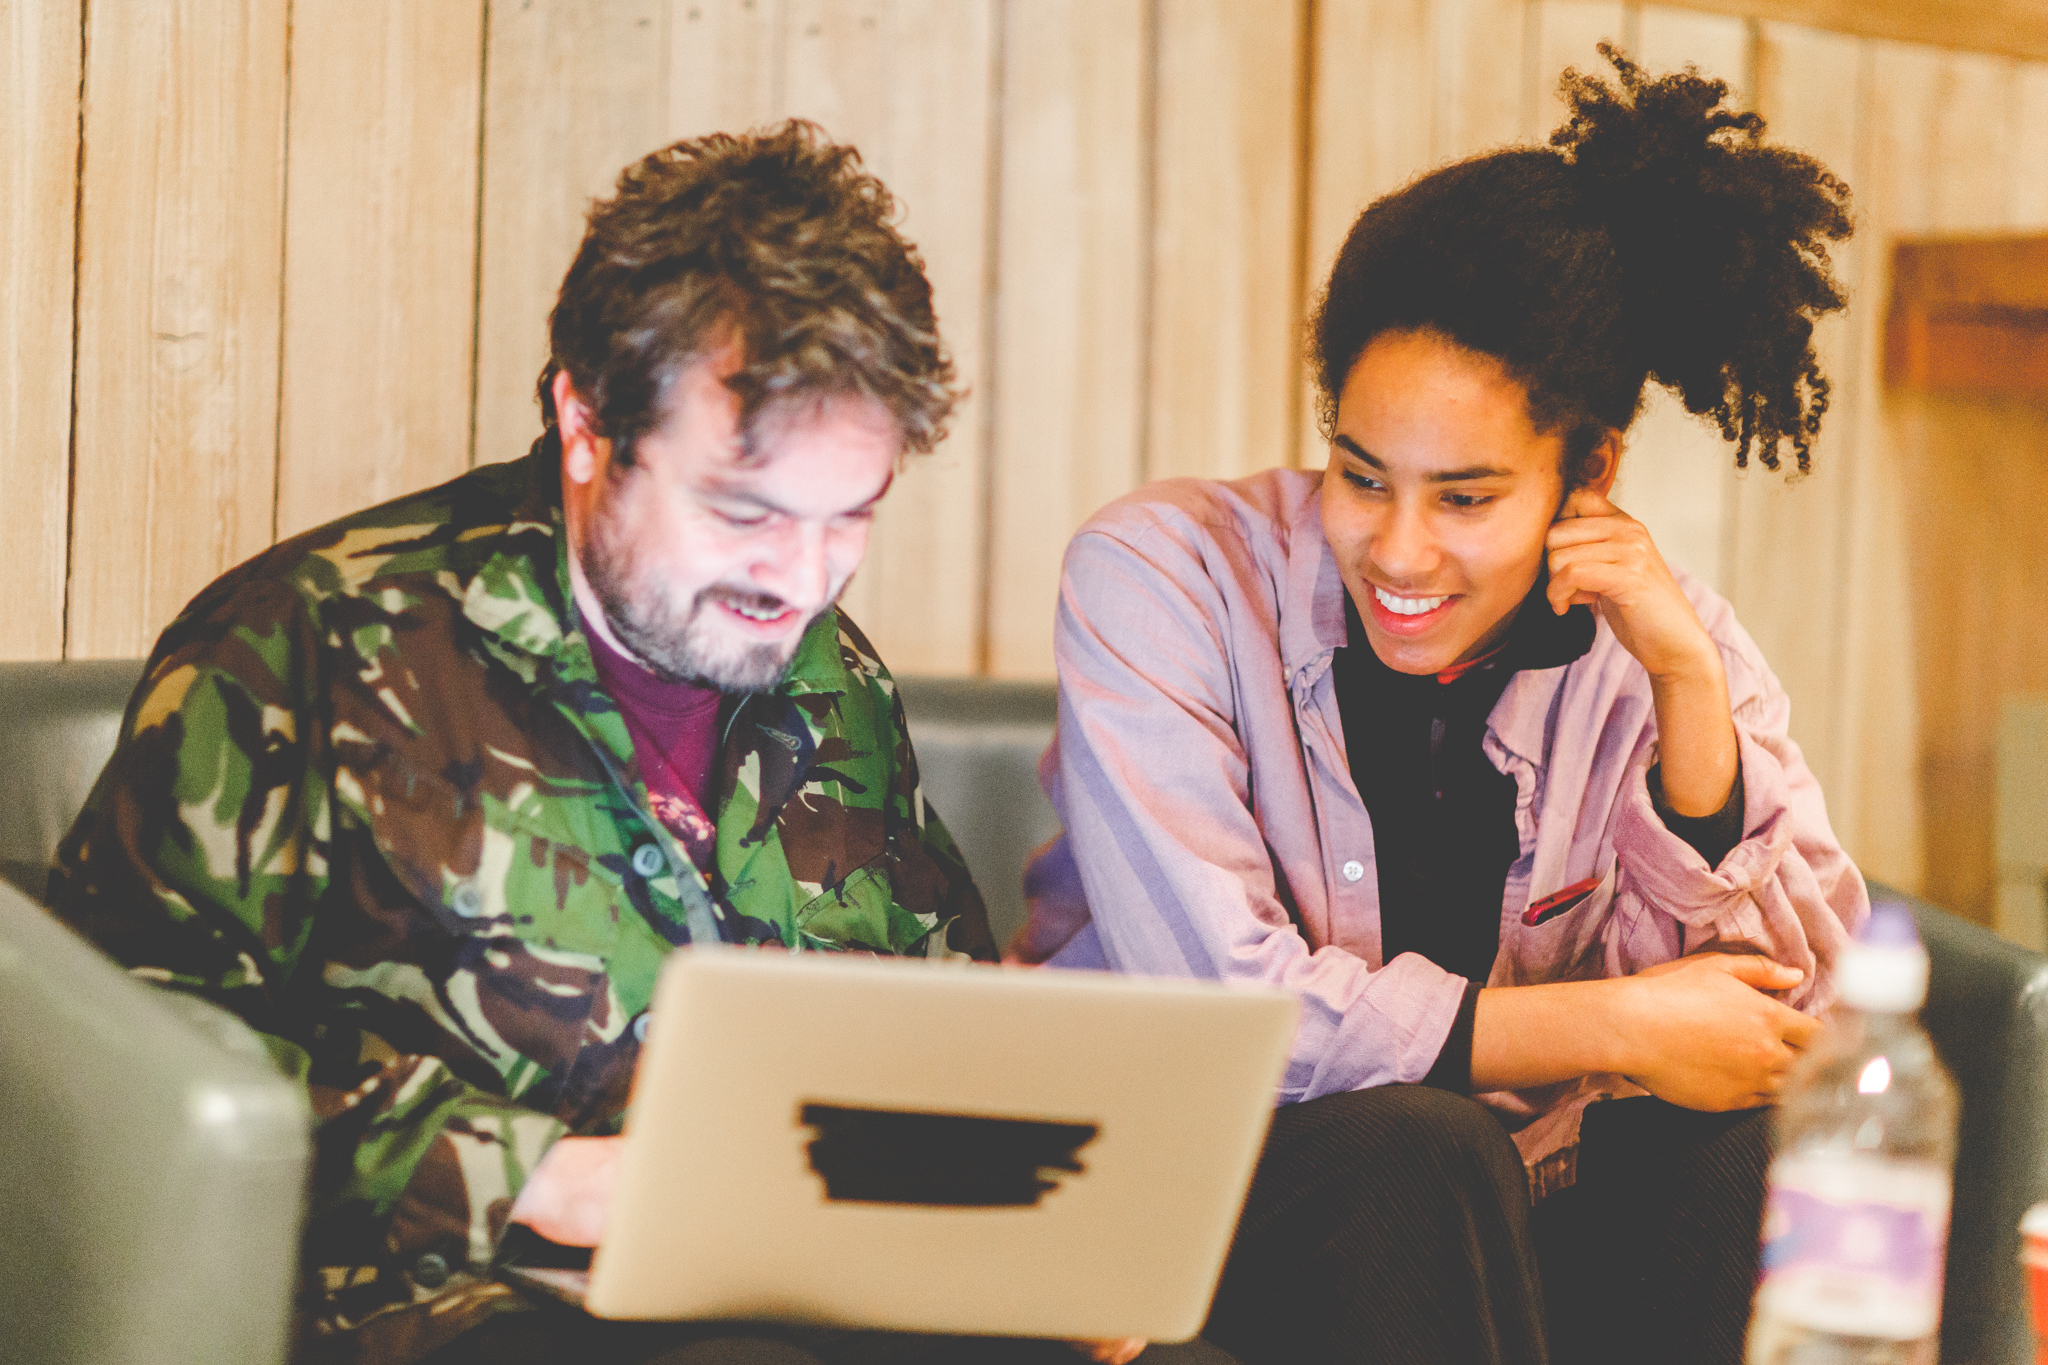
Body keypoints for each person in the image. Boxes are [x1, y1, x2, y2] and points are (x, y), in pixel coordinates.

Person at [47, 123, 1178, 1365]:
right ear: (585, 423)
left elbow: (941, 1016)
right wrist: (539, 1177)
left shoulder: (831, 672)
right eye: (741, 511)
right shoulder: (300, 652)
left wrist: (1039, 1238)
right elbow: (115, 1082)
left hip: (814, 1290)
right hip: (443, 1305)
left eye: (849, 516)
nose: (798, 581)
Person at [1012, 48, 1867, 1365]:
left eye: (1465, 499)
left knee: (1726, 1145)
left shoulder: (1658, 634)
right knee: (1421, 1141)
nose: (1399, 551)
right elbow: (1226, 1010)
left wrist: (1689, 693)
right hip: (1214, 1189)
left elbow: (1772, 1021)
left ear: (1589, 472)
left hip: (1520, 1204)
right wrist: (1611, 1022)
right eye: (1362, 477)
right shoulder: (1161, 577)